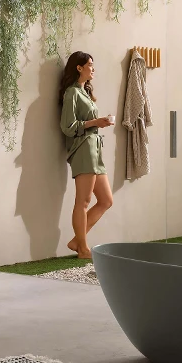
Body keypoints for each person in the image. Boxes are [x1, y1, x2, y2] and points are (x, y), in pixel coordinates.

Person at [59, 51, 114, 259]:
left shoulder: (85, 92)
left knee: (106, 200)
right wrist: (95, 122)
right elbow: (67, 126)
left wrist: (100, 123)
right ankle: (83, 249)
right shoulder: (71, 93)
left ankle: (76, 241)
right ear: (79, 68)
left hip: (94, 148)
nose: (93, 68)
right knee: (83, 200)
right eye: (90, 65)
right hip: (83, 148)